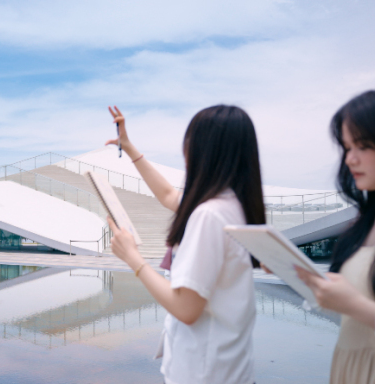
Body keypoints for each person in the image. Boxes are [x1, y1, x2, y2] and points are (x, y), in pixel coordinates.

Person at [106, 105, 264, 384]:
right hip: (228, 370)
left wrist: (133, 258)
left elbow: (186, 309)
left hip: (203, 374)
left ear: (206, 150)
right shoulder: (232, 206)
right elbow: (167, 195)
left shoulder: (209, 214)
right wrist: (130, 149)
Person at [294, 90, 375, 384]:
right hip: (350, 364)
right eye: (346, 147)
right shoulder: (364, 222)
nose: (351, 159)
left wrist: (354, 304)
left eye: (363, 146)